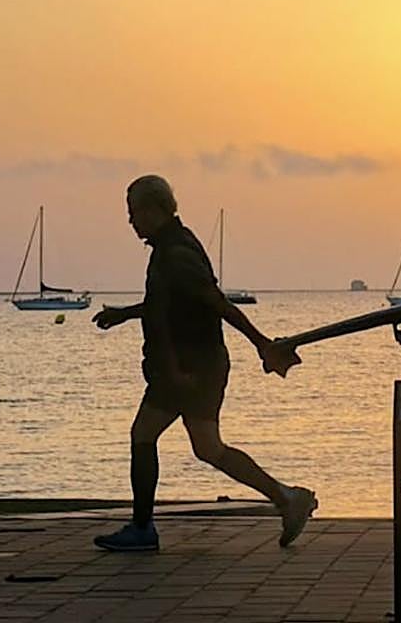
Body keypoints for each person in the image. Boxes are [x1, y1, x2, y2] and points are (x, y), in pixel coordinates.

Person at [90, 175, 314, 552]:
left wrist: (262, 345)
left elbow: (217, 303)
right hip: (196, 366)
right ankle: (288, 498)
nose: (131, 222)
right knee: (208, 448)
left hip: (189, 368)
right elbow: (169, 303)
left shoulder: (177, 253)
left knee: (143, 435)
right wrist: (125, 314)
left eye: (135, 213)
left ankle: (143, 530)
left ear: (155, 209)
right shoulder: (170, 247)